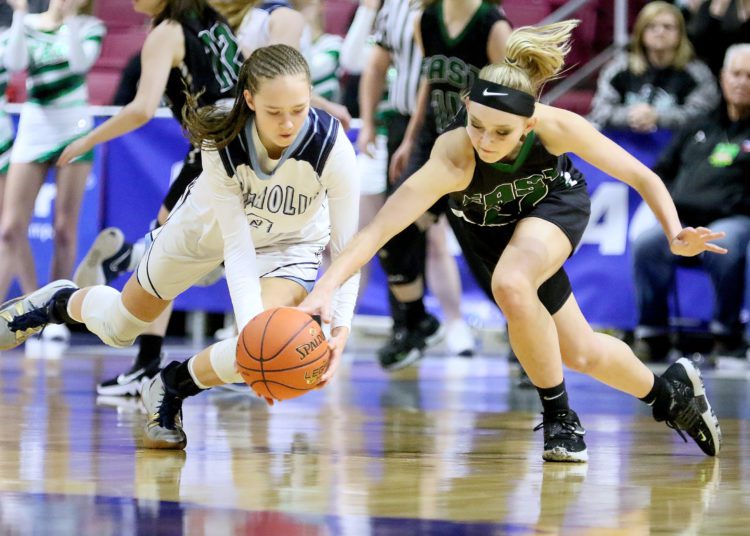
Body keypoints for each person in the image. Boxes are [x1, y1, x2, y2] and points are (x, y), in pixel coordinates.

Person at [298, 21, 723, 462]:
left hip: (555, 207)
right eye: (477, 125)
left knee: (511, 282)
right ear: (467, 106)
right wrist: (324, 288)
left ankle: (560, 418)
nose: (485, 141)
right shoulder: (453, 158)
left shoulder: (556, 128)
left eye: (502, 133)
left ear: (528, 123)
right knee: (580, 352)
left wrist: (675, 233)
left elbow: (642, 175)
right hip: (493, 232)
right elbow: (377, 230)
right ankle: (671, 395)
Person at [0, 44, 360, 450]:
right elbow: (237, 247)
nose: (288, 123)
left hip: (289, 244)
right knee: (120, 329)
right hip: (203, 231)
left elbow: (348, 247)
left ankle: (171, 386)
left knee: (266, 343)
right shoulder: (224, 139)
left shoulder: (332, 147)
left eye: (298, 108)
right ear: (250, 100)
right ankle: (58, 302)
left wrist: (340, 327)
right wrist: (252, 340)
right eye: (274, 112)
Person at [56, 0, 243, 397]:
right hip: (246, 144)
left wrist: (88, 137)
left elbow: (142, 109)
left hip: (216, 151)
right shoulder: (212, 19)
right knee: (175, 250)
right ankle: (150, 360)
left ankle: (125, 258)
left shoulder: (165, 33)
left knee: (173, 256)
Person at [375, 0, 512, 369]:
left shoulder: (493, 25)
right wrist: (411, 136)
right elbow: (429, 81)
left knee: (488, 259)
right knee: (393, 232)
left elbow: (516, 98)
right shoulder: (427, 19)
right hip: (433, 145)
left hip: (477, 153)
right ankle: (416, 321)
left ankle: (524, 338)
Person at [632, 43, 750, 363]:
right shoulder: (698, 123)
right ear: (723, 78)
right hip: (683, 220)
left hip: (735, 218)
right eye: (736, 74)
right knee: (647, 245)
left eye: (749, 76)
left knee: (729, 244)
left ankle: (727, 334)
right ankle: (652, 335)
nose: (742, 82)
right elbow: (660, 173)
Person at [0, 0, 104, 309]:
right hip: (34, 131)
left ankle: (57, 310)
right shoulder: (30, 25)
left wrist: (70, 20)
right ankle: (29, 307)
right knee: (9, 228)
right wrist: (20, 14)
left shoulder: (90, 27)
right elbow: (15, 63)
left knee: (63, 229)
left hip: (74, 131)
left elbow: (78, 64)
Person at [588, 1, 719, 132]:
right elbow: (600, 109)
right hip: (624, 142)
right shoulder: (619, 68)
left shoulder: (697, 73)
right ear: (640, 32)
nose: (660, 32)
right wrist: (629, 115)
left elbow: (703, 114)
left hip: (675, 145)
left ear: (680, 34)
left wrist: (658, 117)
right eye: (651, 26)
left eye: (667, 27)